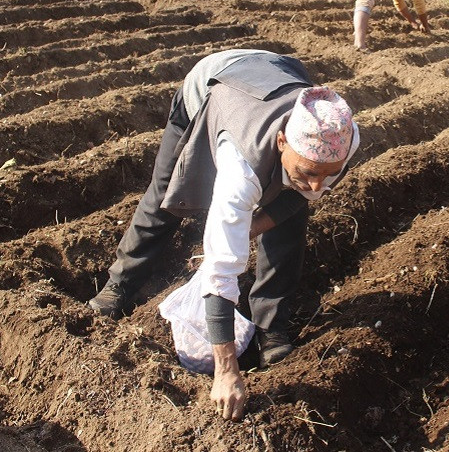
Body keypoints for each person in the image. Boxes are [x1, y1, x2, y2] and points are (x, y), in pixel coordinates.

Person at [88, 49, 360, 419]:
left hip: (276, 74)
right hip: (209, 88)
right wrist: (226, 369)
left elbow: (303, 195)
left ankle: (273, 327)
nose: (317, 184)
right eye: (309, 171)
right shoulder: (240, 170)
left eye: (328, 173)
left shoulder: (338, 138)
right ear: (283, 142)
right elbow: (221, 269)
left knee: (289, 227)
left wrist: (256, 224)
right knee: (166, 195)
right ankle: (120, 285)